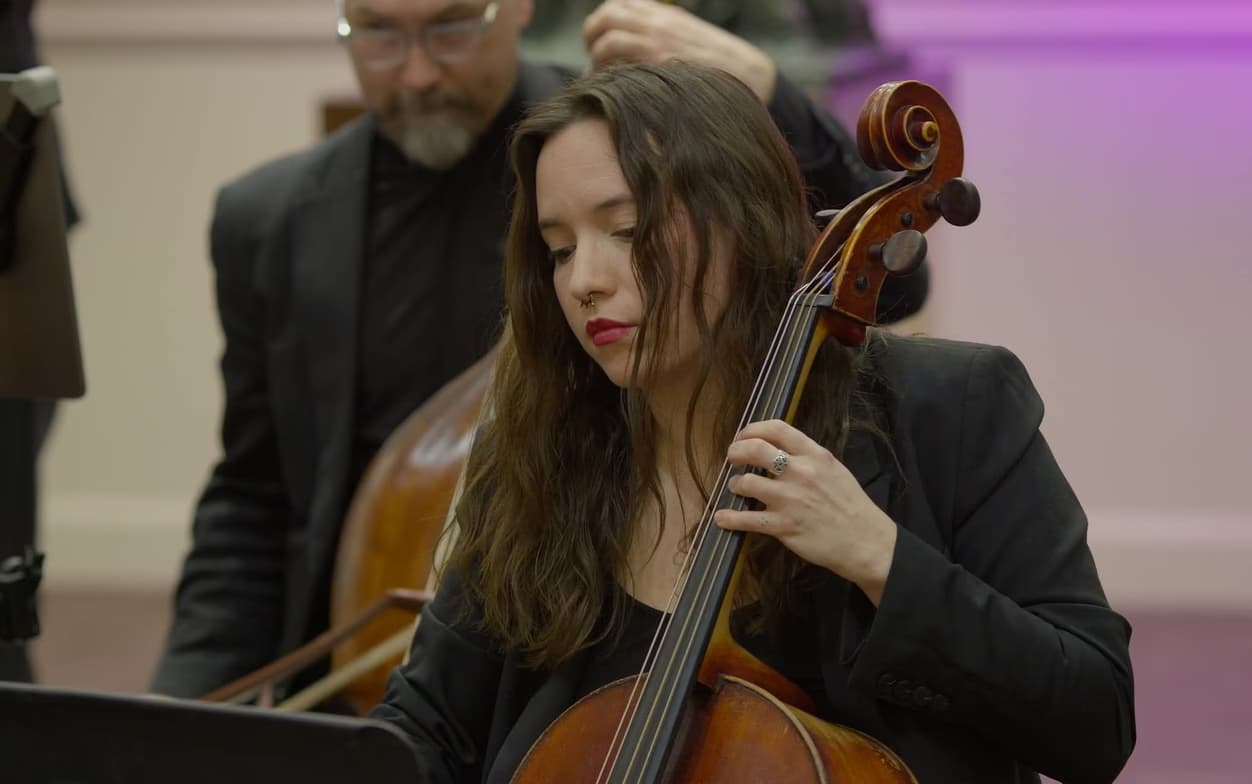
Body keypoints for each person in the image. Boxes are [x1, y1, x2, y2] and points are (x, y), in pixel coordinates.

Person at [370, 62, 1136, 783]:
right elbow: (432, 726)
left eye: (628, 230)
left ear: (742, 220)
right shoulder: (548, 446)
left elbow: (1094, 719)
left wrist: (877, 556)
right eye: (559, 249)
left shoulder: (949, 408)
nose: (585, 281)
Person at [149, 0, 927, 699]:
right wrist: (175, 708)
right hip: (356, 653)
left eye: (453, 26)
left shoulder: (615, 140)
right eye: (378, 34)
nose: (418, 73)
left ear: (519, 6)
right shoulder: (266, 218)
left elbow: (889, 282)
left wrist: (769, 92)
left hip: (562, 649)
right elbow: (251, 497)